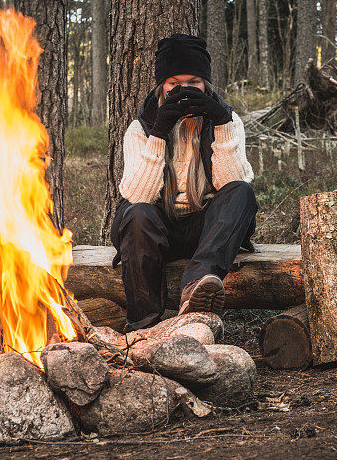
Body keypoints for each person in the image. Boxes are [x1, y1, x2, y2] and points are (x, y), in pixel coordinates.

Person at [110, 33, 258, 331]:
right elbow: (137, 196)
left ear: (206, 85)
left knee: (243, 192)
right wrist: (159, 132)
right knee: (136, 214)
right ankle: (143, 325)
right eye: (174, 83)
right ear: (161, 87)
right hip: (155, 230)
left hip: (204, 230)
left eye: (193, 82)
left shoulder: (227, 121)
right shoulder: (140, 129)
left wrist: (221, 124)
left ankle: (197, 287)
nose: (183, 90)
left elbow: (232, 187)